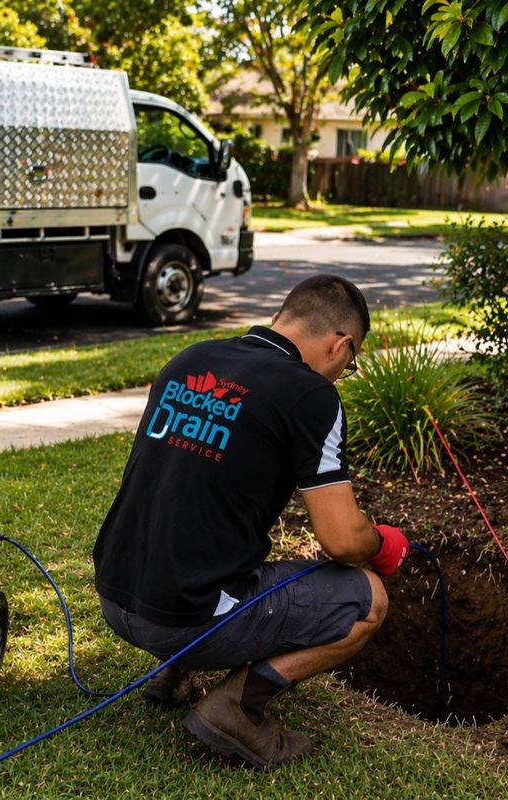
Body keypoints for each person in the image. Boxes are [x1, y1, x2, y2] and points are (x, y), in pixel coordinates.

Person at [92, 274, 408, 770]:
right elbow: (342, 541)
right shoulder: (311, 397)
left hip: (114, 595)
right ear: (341, 345)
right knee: (367, 599)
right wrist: (381, 544)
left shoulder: (192, 358)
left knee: (205, 530)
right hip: (182, 621)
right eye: (352, 360)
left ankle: (172, 674)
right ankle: (237, 708)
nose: (344, 370)